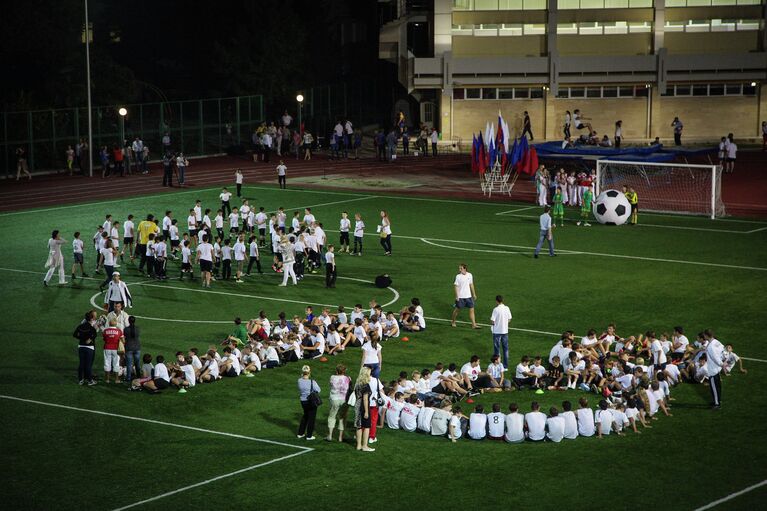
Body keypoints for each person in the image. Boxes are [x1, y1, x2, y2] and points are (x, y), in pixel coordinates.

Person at [327, 364, 351, 442]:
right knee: (342, 418)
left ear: (337, 371)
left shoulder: (332, 377)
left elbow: (330, 385)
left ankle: (330, 435)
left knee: (332, 416)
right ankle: (340, 437)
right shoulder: (348, 378)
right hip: (344, 400)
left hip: (334, 399)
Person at [450, 263, 479, 329]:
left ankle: (473, 325)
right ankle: (453, 322)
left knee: (472, 310)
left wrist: (474, 294)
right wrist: (457, 296)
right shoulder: (458, 276)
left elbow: (471, 284)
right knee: (457, 310)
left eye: (461, 268)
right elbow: (456, 286)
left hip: (468, 297)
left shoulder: (470, 275)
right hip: (461, 297)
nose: (460, 270)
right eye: (459, 268)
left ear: (465, 269)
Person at [74, 310, 98, 385]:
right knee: (88, 364)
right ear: (91, 319)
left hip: (81, 346)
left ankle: (81, 380)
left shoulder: (80, 326)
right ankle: (90, 380)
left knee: (81, 364)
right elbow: (94, 334)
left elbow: (75, 334)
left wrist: (81, 338)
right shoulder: (91, 327)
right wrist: (89, 339)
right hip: (89, 348)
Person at [296, 365, 321, 441]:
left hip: (303, 401)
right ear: (309, 372)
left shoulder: (299, 380)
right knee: (311, 418)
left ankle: (300, 433)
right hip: (311, 401)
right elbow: (318, 390)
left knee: (305, 416)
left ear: (302, 372)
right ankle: (309, 436)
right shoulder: (312, 382)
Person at [354, 367, 375, 452]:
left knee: (358, 426)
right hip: (363, 407)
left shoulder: (358, 384)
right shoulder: (366, 385)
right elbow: (365, 399)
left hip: (357, 406)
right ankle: (365, 446)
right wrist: (366, 411)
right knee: (366, 426)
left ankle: (358, 445)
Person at [490, 295, 512, 369]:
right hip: (505, 331)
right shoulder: (507, 308)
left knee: (497, 349)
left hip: (497, 332)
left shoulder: (495, 309)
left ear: (496, 301)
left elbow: (492, 321)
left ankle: (498, 365)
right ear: (502, 300)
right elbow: (509, 319)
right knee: (505, 349)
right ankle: (505, 366)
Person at [704, 329, 725, 409]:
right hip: (717, 369)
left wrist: (722, 364)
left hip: (712, 370)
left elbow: (715, 358)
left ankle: (717, 404)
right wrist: (722, 361)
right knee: (718, 386)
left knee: (714, 388)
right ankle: (718, 400)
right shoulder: (717, 342)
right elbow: (723, 350)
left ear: (706, 335)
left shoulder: (710, 346)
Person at [102, 319, 123, 384]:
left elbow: (104, 339)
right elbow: (123, 340)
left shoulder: (105, 331)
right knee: (116, 364)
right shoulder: (119, 331)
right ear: (116, 324)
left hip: (107, 348)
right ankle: (117, 380)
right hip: (116, 349)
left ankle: (107, 379)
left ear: (109, 323)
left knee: (107, 363)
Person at [123, 315, 141, 382]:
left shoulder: (126, 329)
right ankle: (139, 376)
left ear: (129, 321)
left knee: (129, 364)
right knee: (137, 363)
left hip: (129, 347)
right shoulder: (137, 329)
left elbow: (125, 337)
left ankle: (128, 378)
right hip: (137, 347)